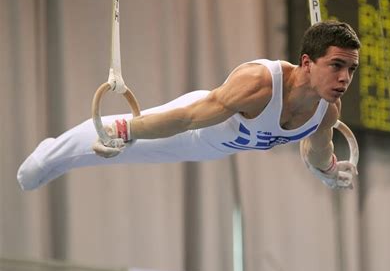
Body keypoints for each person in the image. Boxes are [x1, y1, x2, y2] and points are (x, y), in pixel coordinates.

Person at [17, 20, 360, 191]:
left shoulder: (326, 111)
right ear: (306, 62)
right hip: (194, 128)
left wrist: (328, 169)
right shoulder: (260, 84)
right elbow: (186, 118)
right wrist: (125, 129)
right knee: (38, 171)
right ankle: (49, 154)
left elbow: (319, 149)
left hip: (213, 151)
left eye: (351, 69)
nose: (345, 78)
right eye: (336, 66)